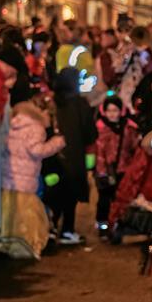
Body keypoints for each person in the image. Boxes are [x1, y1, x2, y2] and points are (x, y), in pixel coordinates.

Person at [0, 98, 66, 259]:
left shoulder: (12, 125)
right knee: (26, 215)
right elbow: (37, 150)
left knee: (9, 213)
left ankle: (5, 242)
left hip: (8, 176)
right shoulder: (36, 128)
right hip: (25, 177)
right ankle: (28, 243)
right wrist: (57, 143)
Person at [47, 66, 97, 245]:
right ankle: (67, 230)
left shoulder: (51, 103)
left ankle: (51, 227)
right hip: (74, 155)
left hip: (52, 155)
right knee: (71, 194)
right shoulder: (80, 104)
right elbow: (90, 132)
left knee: (54, 192)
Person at [93, 95, 138, 234]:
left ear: (121, 111)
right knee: (104, 200)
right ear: (104, 111)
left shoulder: (129, 128)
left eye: (115, 110)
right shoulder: (100, 128)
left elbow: (133, 148)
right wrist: (101, 172)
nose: (112, 114)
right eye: (109, 111)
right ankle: (103, 226)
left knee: (120, 199)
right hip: (105, 170)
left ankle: (116, 225)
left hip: (123, 169)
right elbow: (99, 152)